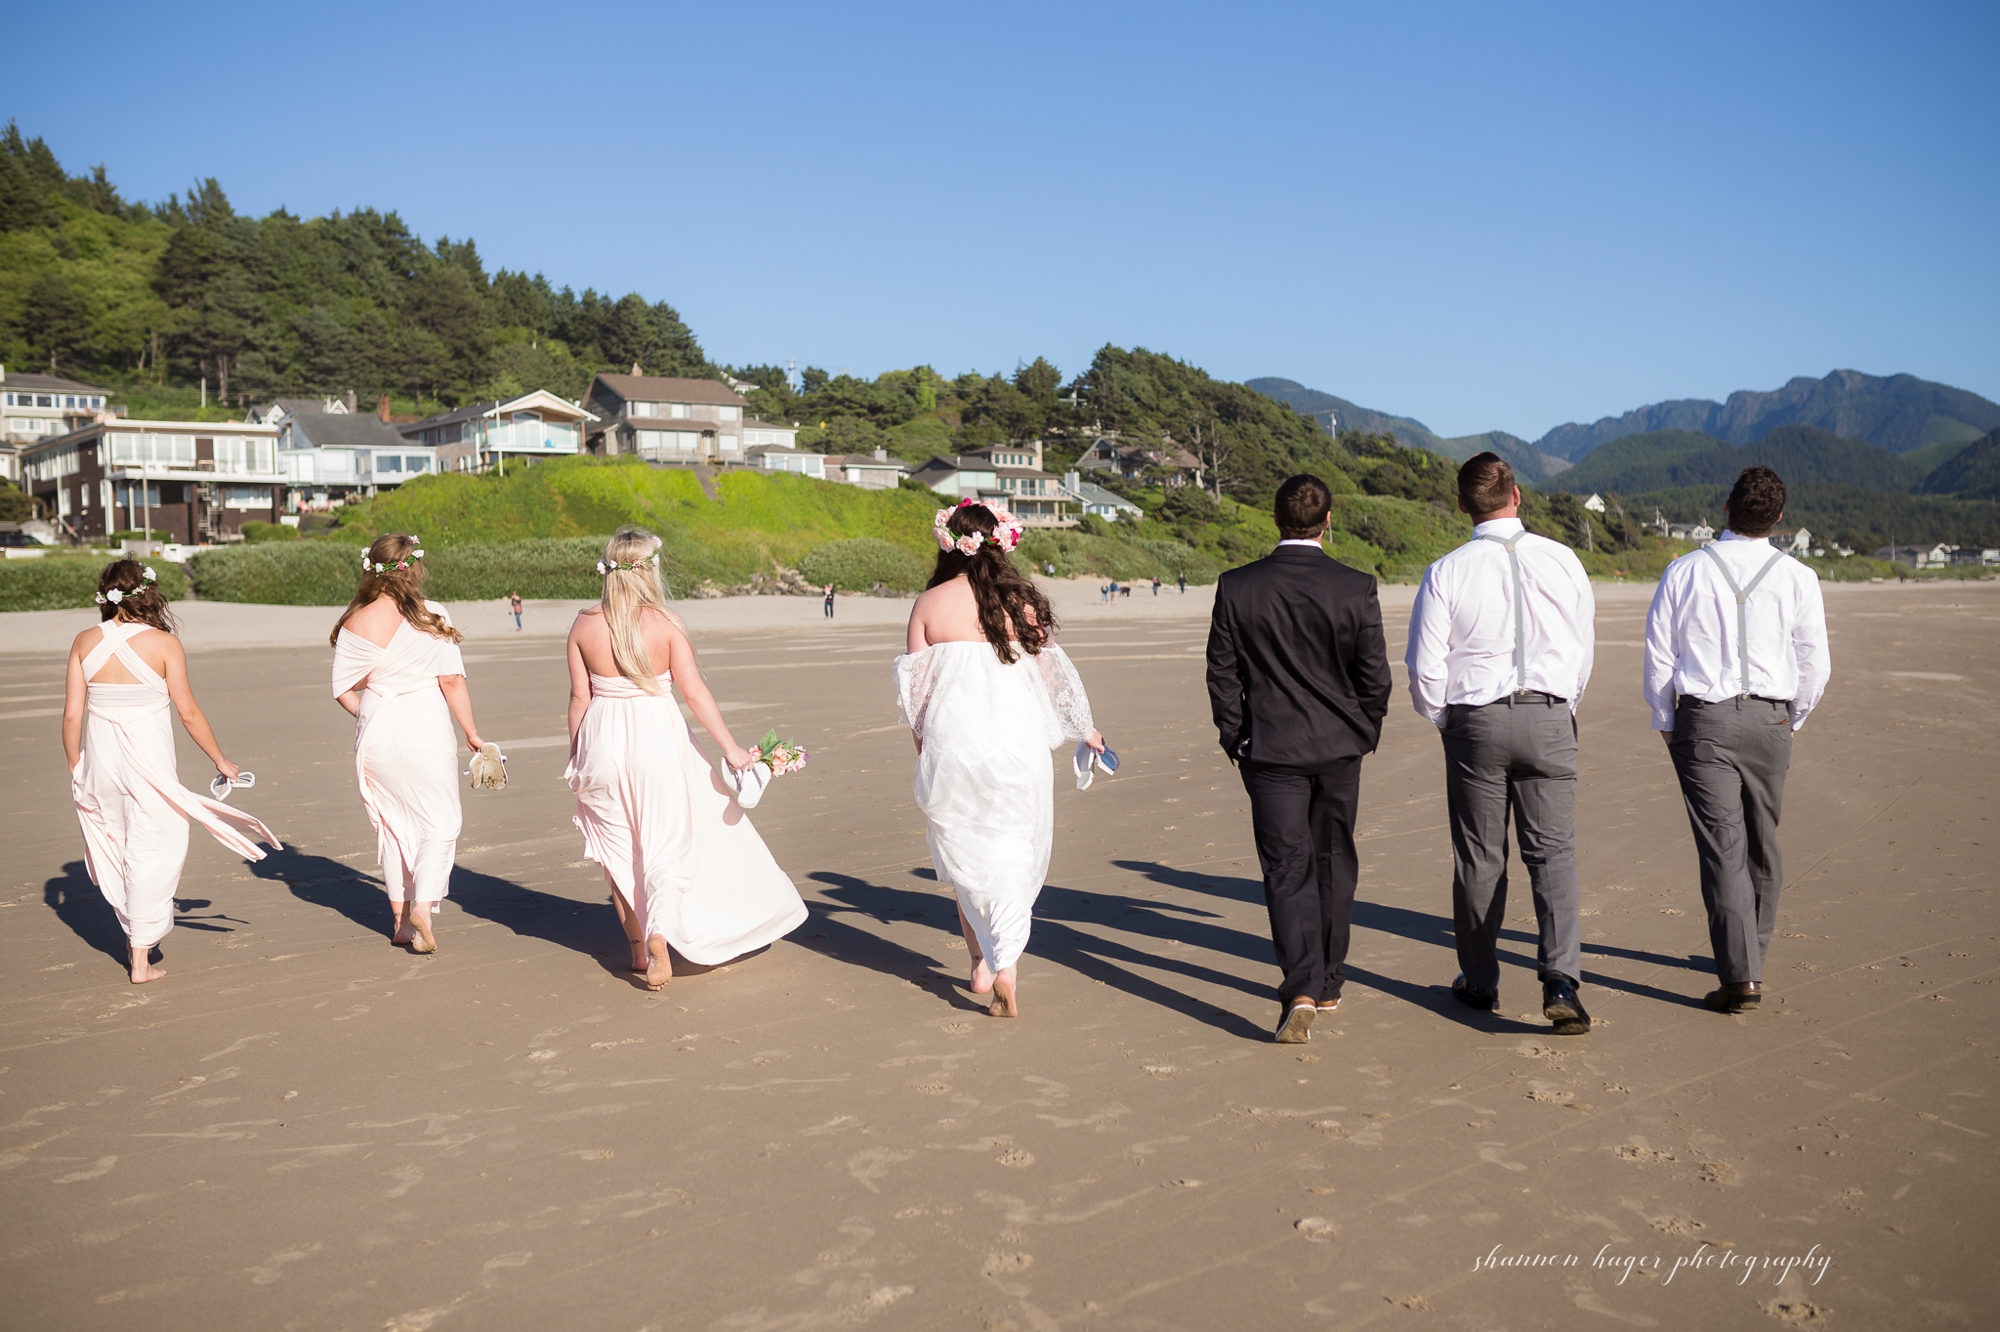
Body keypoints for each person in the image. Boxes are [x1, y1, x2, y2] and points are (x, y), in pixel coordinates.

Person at [567, 527, 807, 989]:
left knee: (617, 852)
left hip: (601, 743)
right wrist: (732, 749)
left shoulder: (583, 623)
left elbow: (580, 698)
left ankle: (638, 951)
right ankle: (661, 933)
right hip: (656, 741)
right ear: (649, 570)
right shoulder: (666, 623)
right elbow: (694, 692)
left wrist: (576, 757)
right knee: (665, 847)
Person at [1406, 453, 1596, 1034]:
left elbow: (1424, 666)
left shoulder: (1447, 570)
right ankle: (1560, 979)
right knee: (1553, 853)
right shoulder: (1563, 559)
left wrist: (1445, 719)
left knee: (1480, 856)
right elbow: (1582, 648)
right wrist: (1562, 706)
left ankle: (1482, 979)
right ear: (1518, 496)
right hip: (1548, 712)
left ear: (1463, 504)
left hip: (1476, 720)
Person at [896, 500, 1104, 1018]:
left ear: (949, 543)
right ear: (1002, 543)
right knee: (1013, 846)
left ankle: (981, 963)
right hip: (1019, 745)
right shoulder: (1024, 602)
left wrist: (925, 751)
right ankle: (1005, 963)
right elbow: (1054, 677)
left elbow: (916, 699)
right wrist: (1086, 728)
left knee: (967, 852)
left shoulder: (930, 604)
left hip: (956, 743)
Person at [1207, 475, 1391, 1043]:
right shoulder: (1355, 586)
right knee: (1333, 862)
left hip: (1272, 749)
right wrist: (1363, 729)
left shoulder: (1239, 586)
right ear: (1328, 520)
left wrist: (1236, 737)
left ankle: (1304, 987)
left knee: (1287, 868)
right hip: (1335, 747)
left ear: (1276, 519)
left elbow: (1222, 673)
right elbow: (1375, 678)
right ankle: (1327, 981)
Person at [1644, 466, 1829, 1014]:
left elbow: (1660, 656)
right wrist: (1793, 717)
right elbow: (1813, 663)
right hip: (1771, 719)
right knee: (1761, 840)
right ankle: (1752, 958)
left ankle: (1740, 972)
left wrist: (1666, 719)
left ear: (1725, 509)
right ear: (1778, 518)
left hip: (1705, 719)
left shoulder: (1683, 571)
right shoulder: (1799, 576)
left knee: (1722, 848)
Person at [64, 560, 278, 983]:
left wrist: (76, 767)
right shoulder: (163, 644)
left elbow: (72, 717)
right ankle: (140, 958)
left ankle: (135, 935)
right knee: (156, 849)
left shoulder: (84, 641)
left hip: (100, 764)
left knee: (117, 844)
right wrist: (220, 760)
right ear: (147, 593)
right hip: (149, 768)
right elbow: (189, 712)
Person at [331, 534, 487, 954]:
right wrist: (472, 733)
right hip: (425, 730)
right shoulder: (431, 614)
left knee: (394, 827)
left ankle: (401, 925)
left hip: (377, 733)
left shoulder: (355, 621)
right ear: (413, 567)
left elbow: (344, 690)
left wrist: (373, 713)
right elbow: (451, 680)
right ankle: (422, 906)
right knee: (440, 823)